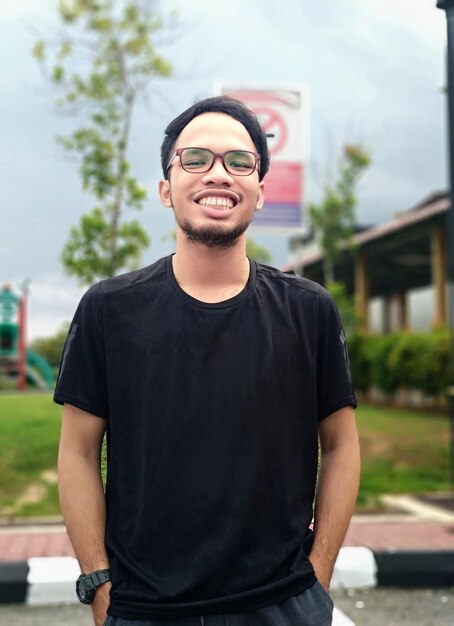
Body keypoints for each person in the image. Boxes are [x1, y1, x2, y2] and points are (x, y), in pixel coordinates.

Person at [55, 95, 360, 626]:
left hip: (282, 606)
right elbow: (78, 453)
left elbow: (341, 444)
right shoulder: (109, 309)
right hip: (144, 608)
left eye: (239, 162)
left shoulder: (309, 310)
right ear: (165, 188)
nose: (218, 175)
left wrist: (319, 577)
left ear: (261, 191)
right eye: (195, 159)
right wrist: (99, 584)